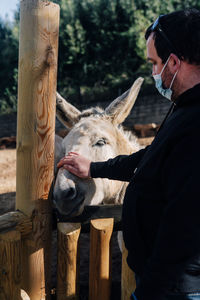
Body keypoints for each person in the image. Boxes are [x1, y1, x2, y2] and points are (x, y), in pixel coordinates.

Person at [57, 9, 200, 300]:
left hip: (174, 289)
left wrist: (147, 293)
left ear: (173, 62)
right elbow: (151, 157)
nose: (153, 73)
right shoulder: (185, 108)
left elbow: (183, 230)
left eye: (154, 63)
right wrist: (94, 168)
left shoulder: (196, 122)